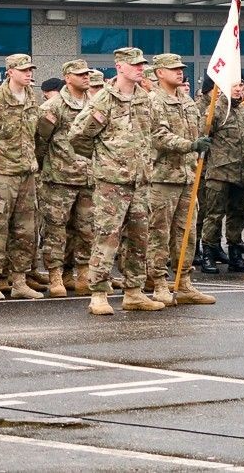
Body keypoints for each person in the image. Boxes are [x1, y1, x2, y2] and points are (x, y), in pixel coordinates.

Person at [69, 47, 165, 315]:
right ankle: (98, 293)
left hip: (140, 181)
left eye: (142, 64)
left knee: (139, 238)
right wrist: (103, 159)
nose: (139, 68)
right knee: (106, 237)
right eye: (134, 64)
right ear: (119, 67)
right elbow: (78, 135)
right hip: (112, 182)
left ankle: (134, 291)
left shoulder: (145, 99)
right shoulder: (104, 100)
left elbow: (155, 133)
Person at [145, 54, 215, 305]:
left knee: (187, 233)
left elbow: (198, 132)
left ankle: (183, 282)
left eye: (181, 68)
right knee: (159, 234)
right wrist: (191, 145)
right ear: (159, 72)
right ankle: (159, 283)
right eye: (173, 69)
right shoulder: (153, 101)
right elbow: (158, 136)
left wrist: (200, 143)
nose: (180, 72)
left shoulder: (186, 101)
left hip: (187, 177)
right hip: (163, 178)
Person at [0, 54, 42, 300]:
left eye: (30, 69)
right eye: (23, 70)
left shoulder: (32, 98)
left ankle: (19, 280)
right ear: (9, 72)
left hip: (26, 174)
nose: (28, 73)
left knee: (25, 230)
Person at [35, 59, 94, 298]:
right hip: (59, 179)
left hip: (88, 177)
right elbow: (40, 142)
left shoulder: (95, 103)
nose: (85, 77)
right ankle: (56, 275)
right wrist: (47, 169)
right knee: (56, 231)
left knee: (86, 230)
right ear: (67, 77)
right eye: (80, 74)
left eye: (87, 73)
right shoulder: (54, 106)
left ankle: (81, 274)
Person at [198, 77, 244, 275]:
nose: (239, 89)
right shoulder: (216, 110)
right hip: (219, 173)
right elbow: (202, 137)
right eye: (235, 86)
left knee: (237, 215)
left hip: (241, 172)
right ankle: (208, 252)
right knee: (213, 215)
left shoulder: (242, 111)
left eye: (241, 85)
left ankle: (235, 255)